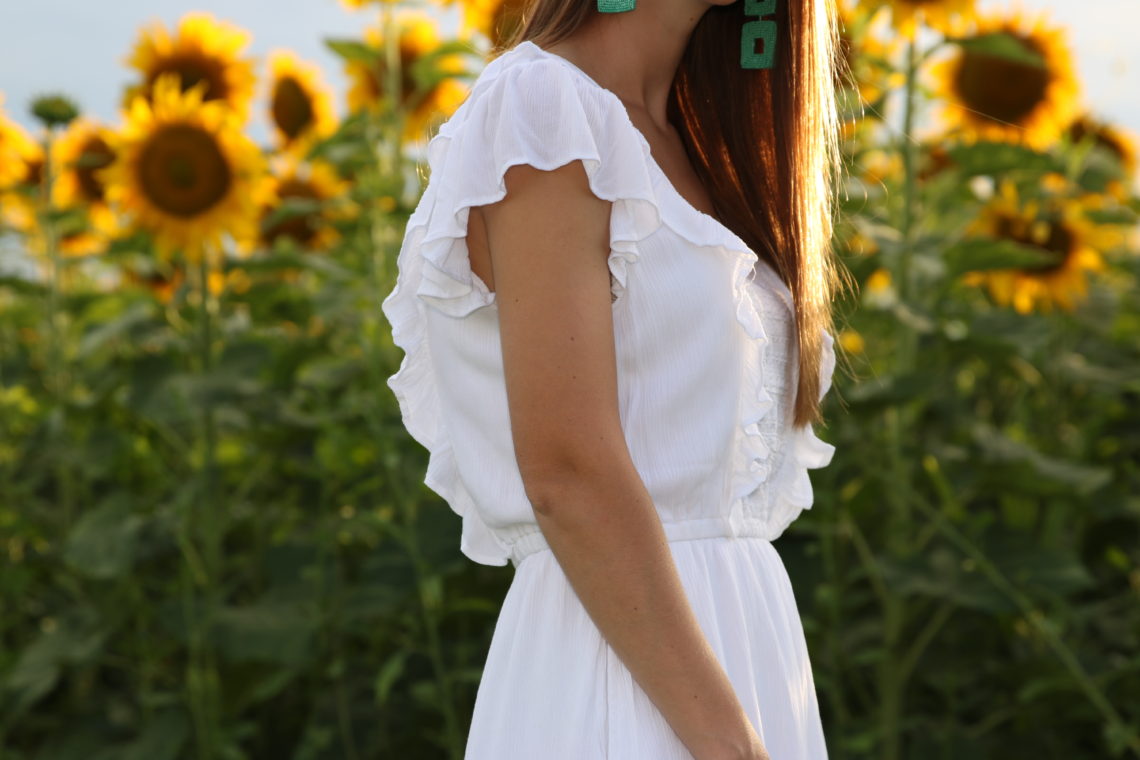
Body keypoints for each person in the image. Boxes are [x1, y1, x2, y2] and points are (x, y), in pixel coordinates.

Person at [381, 0, 846, 756]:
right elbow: (569, 475)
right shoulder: (543, 108)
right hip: (619, 678)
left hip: (743, 664)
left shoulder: (704, 144)